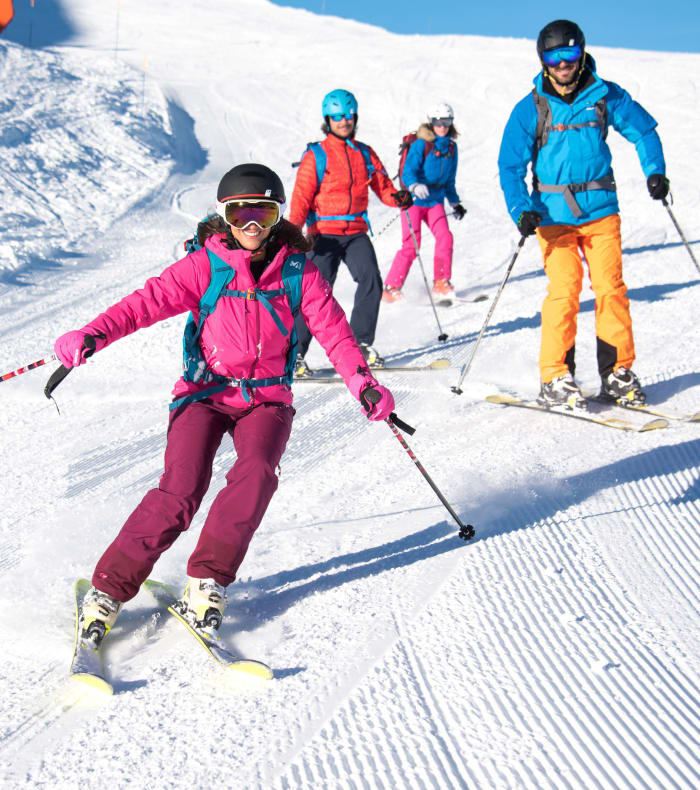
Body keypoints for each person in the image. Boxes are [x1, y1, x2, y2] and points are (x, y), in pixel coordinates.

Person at [54, 163, 395, 642]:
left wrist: (364, 383)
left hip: (268, 398)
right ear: (224, 216)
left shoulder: (299, 271)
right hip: (205, 393)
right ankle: (108, 589)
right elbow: (144, 303)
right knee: (181, 489)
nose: (252, 225)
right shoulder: (203, 265)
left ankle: (208, 579)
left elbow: (335, 333)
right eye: (241, 213)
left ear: (279, 215)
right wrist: (92, 334)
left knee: (257, 473)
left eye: (264, 212)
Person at [498, 19, 668, 409]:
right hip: (552, 216)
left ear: (582, 54)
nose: (563, 64)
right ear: (543, 61)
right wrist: (521, 209)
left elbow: (643, 131)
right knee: (565, 291)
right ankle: (556, 375)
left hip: (601, 211)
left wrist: (655, 171)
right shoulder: (532, 108)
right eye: (554, 56)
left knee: (611, 290)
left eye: (569, 54)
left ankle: (617, 373)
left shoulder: (605, 96)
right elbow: (510, 166)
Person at [289, 88, 412, 374]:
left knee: (372, 280)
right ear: (327, 119)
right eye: (337, 116)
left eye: (348, 115)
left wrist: (399, 198)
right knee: (314, 293)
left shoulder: (364, 153)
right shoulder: (316, 156)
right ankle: (294, 355)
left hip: (355, 232)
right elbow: (301, 199)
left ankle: (359, 346)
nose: (344, 121)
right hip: (323, 234)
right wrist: (292, 234)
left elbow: (383, 187)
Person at [383, 102, 466, 303]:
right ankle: (390, 287)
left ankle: (441, 282)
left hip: (435, 202)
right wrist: (413, 186)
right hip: (414, 202)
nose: (442, 126)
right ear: (431, 122)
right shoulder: (422, 144)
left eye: (446, 121)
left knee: (445, 237)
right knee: (412, 244)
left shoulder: (451, 148)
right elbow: (408, 171)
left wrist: (455, 203)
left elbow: (449, 181)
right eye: (438, 121)